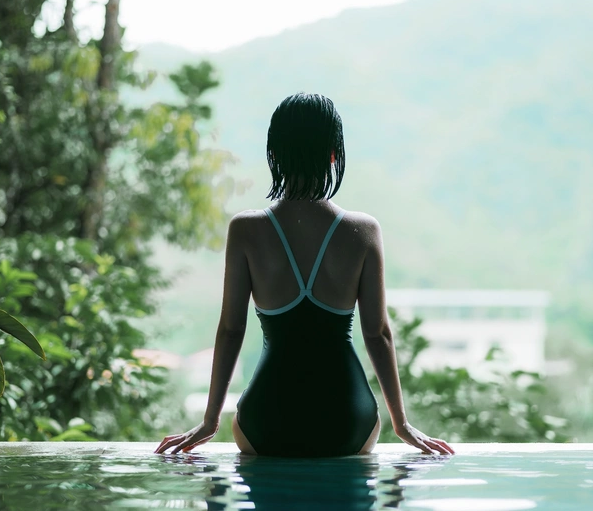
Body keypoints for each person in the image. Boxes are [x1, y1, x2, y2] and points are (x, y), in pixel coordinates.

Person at [155, 93, 454, 457]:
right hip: (349, 422)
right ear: (333, 154)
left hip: (265, 422)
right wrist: (402, 424)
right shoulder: (362, 231)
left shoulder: (247, 230)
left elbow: (231, 329)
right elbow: (378, 333)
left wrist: (209, 421)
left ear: (274, 154)